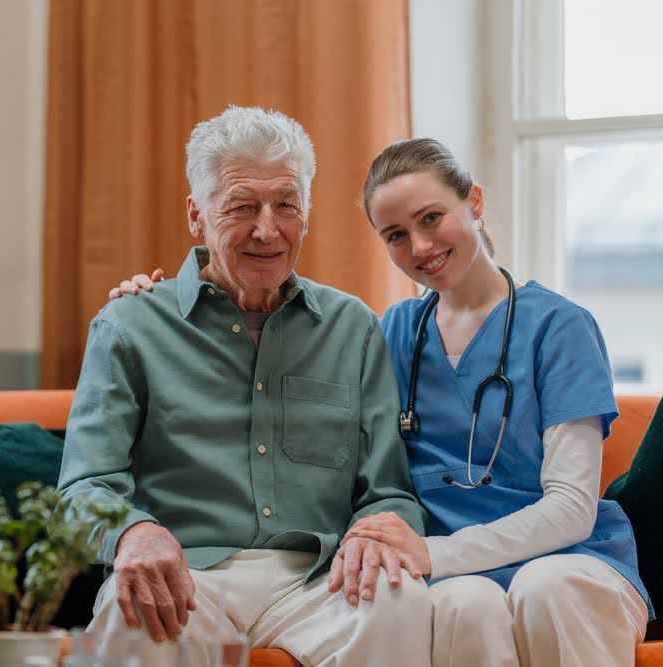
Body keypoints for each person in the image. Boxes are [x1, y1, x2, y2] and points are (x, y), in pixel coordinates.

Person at [113, 137, 654, 667]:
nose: (419, 247)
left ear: (476, 203)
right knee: (462, 604)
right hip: (450, 571)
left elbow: (571, 508)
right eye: (395, 235)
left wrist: (433, 554)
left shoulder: (560, 327)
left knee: (546, 588)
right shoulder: (391, 332)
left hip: (561, 558)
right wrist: (155, 300)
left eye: (431, 218)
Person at [58, 106, 433, 667]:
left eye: (286, 204)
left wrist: (377, 532)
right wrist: (133, 534)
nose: (267, 228)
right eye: (241, 206)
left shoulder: (352, 326)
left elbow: (389, 490)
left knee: (400, 600)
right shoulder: (128, 326)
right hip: (186, 575)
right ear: (196, 215)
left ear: (306, 212)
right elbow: (83, 489)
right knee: (131, 612)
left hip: (319, 580)